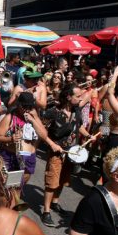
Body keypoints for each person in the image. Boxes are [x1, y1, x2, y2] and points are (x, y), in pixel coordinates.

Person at [39, 84, 96, 227]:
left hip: (72, 152)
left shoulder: (77, 110)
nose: (80, 98)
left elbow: (79, 126)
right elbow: (41, 130)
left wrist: (89, 135)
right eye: (77, 96)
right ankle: (46, 211)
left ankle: (55, 203)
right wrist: (52, 144)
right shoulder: (53, 112)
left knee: (63, 180)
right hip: (56, 153)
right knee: (52, 182)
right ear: (68, 97)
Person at [0, 92, 47, 204]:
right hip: (10, 157)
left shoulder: (34, 116)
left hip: (28, 158)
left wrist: (33, 120)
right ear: (18, 104)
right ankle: (4, 211)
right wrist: (11, 139)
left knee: (18, 187)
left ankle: (13, 211)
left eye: (30, 107)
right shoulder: (10, 117)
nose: (27, 109)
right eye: (24, 106)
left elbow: (44, 136)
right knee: (5, 189)